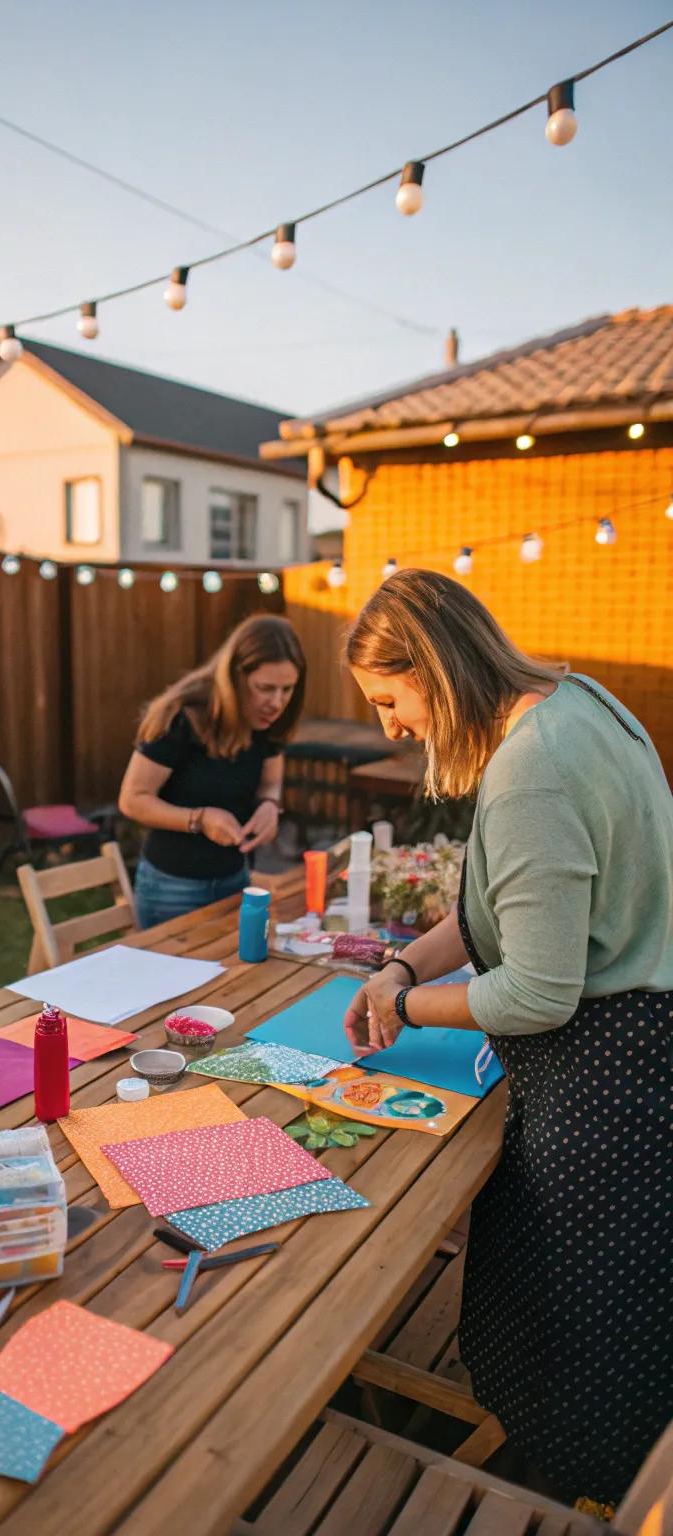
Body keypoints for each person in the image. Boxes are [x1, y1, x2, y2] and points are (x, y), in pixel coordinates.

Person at [341, 568, 672, 1508]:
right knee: (617, 1301)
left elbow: (536, 992)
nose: (390, 727)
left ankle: (572, 1499)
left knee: (577, 1319)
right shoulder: (582, 703)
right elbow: (501, 913)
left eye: (391, 701)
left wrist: (403, 1013)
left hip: (606, 1077)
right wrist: (404, 966)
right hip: (645, 1052)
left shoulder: (530, 770)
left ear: (437, 670)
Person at [118, 614, 305, 928]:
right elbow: (132, 799)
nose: (277, 702)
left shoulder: (270, 722)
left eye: (287, 690)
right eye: (265, 688)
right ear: (234, 677)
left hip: (236, 879)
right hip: (172, 887)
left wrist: (270, 806)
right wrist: (199, 819)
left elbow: (270, 783)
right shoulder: (183, 716)